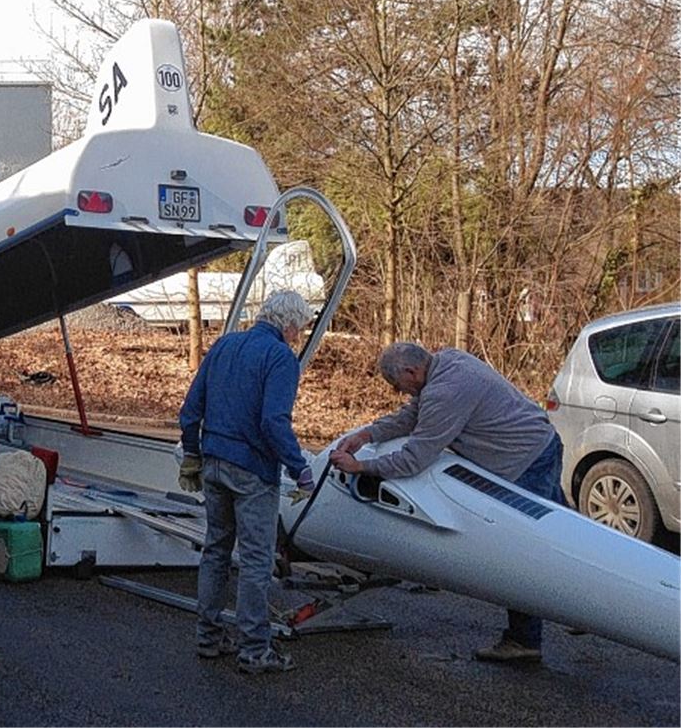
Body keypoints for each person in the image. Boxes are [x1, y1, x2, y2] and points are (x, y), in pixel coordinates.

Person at [330, 341, 567, 664]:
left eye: (397, 385)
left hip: (523, 463)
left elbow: (415, 459)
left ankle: (524, 639)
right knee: (567, 535)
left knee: (523, 551)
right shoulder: (447, 362)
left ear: (412, 371)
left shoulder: (445, 393)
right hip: (543, 443)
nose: (399, 392)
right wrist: (368, 435)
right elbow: (414, 415)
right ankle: (586, 601)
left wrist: (361, 467)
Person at [178, 289, 315, 675]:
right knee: (256, 560)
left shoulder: (224, 345)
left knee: (216, 551)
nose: (299, 336)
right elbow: (273, 421)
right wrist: (299, 467)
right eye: (300, 329)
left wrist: (192, 453)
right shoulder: (280, 357)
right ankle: (255, 649)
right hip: (252, 470)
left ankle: (208, 638)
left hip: (213, 463)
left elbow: (190, 410)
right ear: (290, 325)